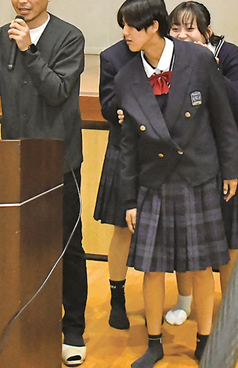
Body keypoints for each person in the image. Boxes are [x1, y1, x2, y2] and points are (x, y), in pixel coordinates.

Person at [0, 0, 88, 367]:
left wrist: (29, 50)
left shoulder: (70, 38)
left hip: (59, 161)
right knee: (20, 245)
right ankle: (30, 319)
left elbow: (56, 92)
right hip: (13, 159)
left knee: (67, 246)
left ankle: (73, 330)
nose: (22, 0)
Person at [114, 0, 238, 368]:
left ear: (153, 27)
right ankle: (154, 343)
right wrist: (129, 200)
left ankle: (205, 341)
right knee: (152, 269)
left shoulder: (198, 60)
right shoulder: (126, 76)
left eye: (130, 26)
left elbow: (222, 117)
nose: (125, 34)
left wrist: (230, 168)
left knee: (201, 266)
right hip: (153, 180)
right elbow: (127, 145)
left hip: (197, 174)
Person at [162, 1, 238, 326]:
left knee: (232, 234)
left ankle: (233, 307)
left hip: (237, 149)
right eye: (176, 28)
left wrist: (210, 67)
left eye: (190, 28)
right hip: (196, 153)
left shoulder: (229, 54)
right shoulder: (167, 60)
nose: (182, 35)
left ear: (207, 32)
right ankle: (186, 300)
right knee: (190, 232)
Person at [93, 36, 137, 330]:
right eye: (123, 24)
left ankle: (179, 299)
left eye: (133, 25)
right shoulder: (112, 56)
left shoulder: (170, 53)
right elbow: (107, 106)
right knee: (122, 228)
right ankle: (117, 298)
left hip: (162, 150)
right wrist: (119, 110)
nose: (127, 31)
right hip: (124, 148)